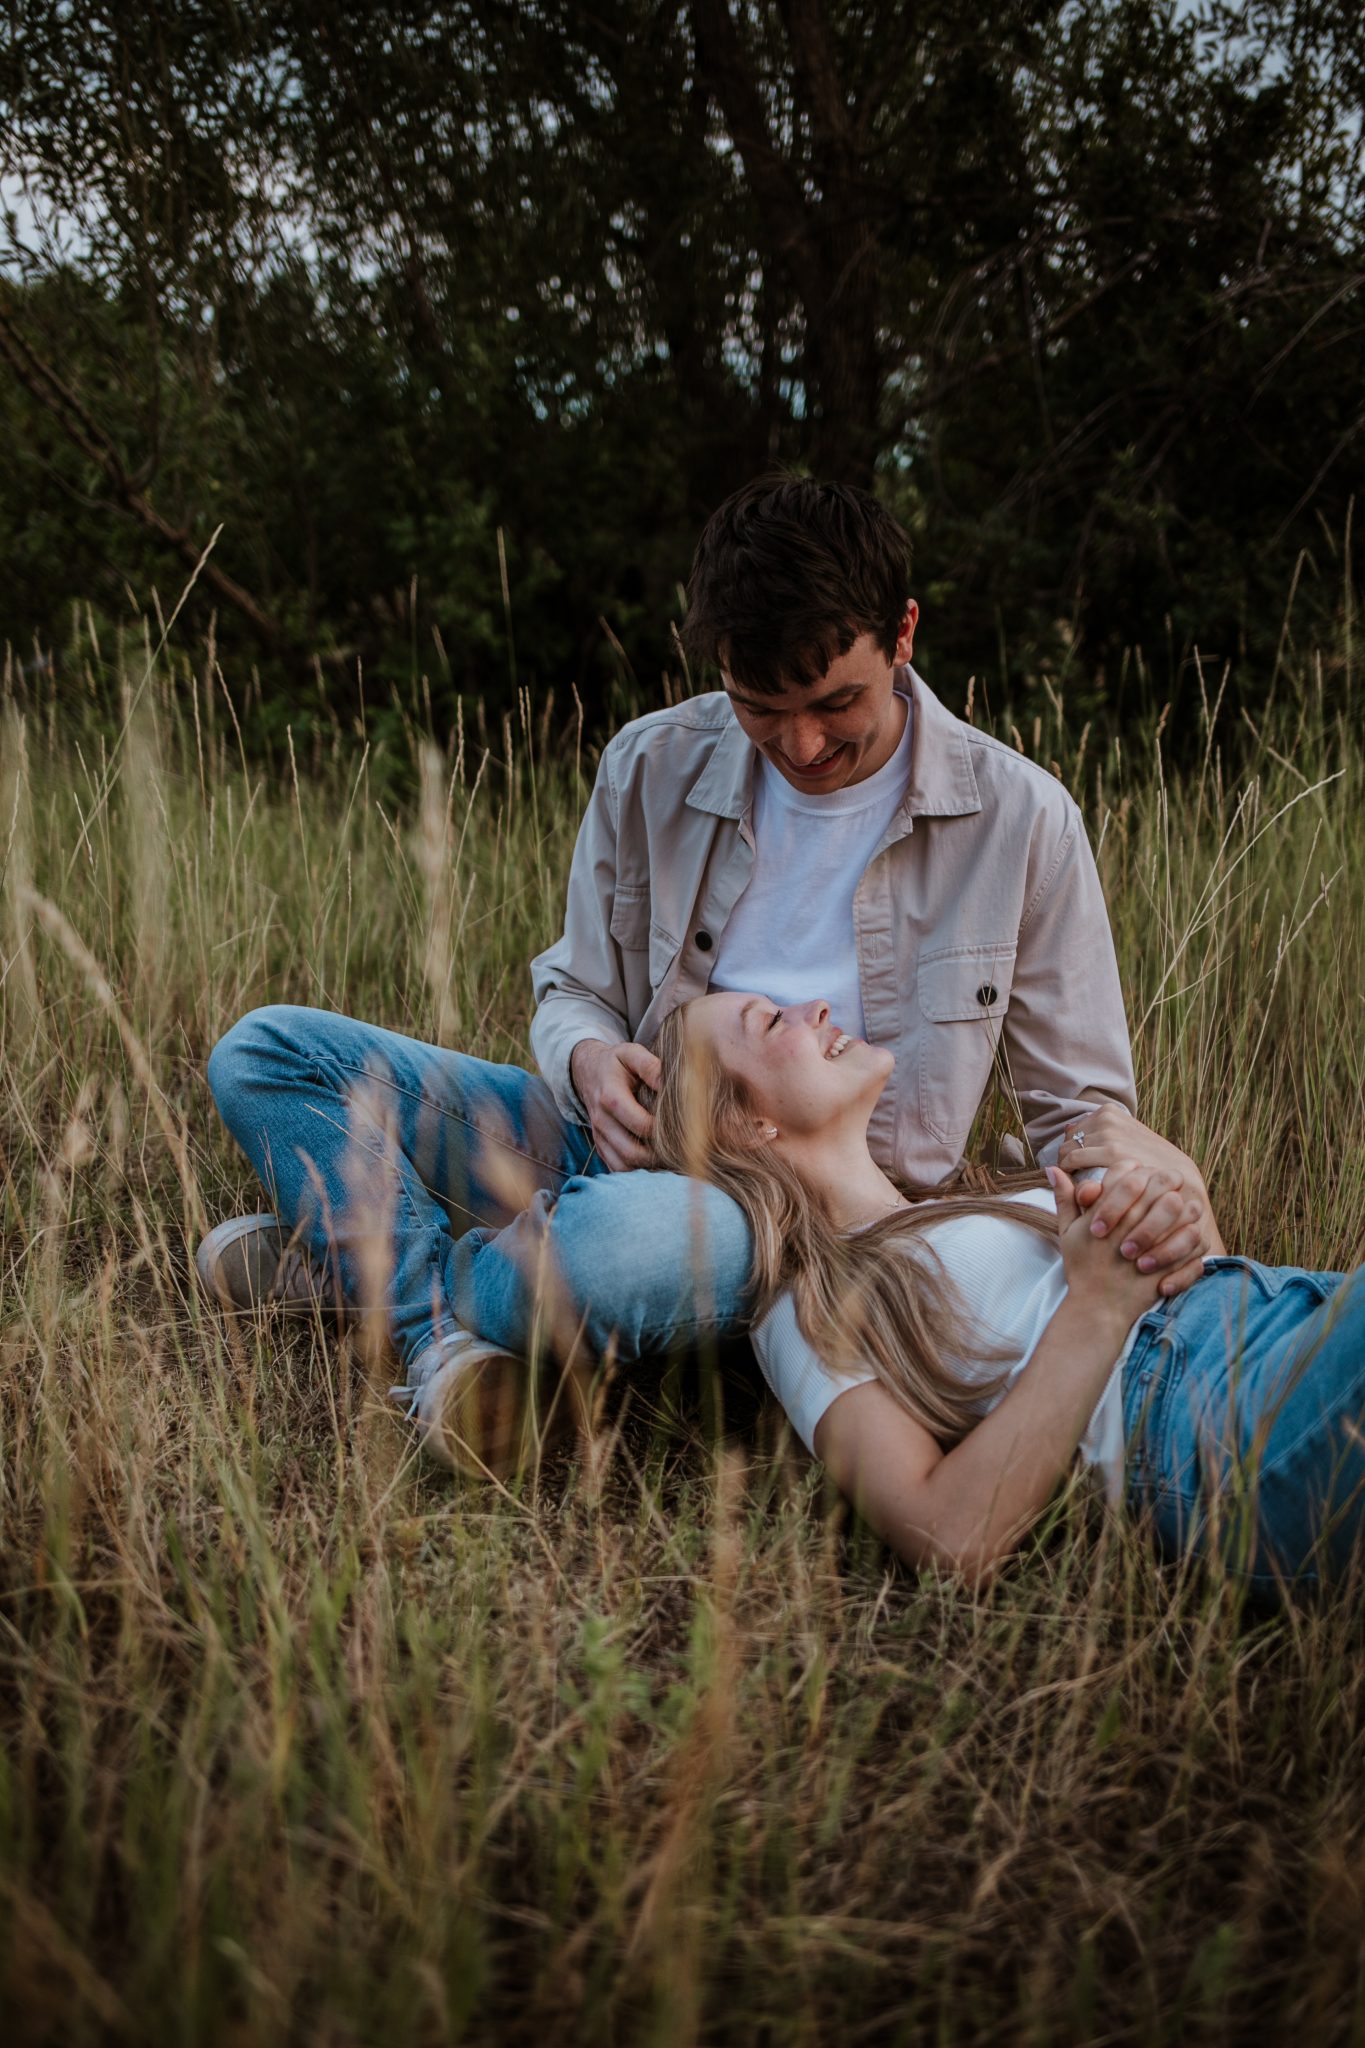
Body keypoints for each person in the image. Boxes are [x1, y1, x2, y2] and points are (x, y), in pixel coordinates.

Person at [197, 477, 1217, 1473]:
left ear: (903, 634)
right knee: (268, 1051)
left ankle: (370, 1265)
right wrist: (590, 1057)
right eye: (760, 708)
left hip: (798, 1224)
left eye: (835, 702)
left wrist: (1136, 1189)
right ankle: (435, 1334)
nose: (803, 743)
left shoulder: (1023, 818)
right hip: (607, 1145)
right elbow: (575, 990)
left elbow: (1077, 1101)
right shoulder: (649, 763)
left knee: (626, 1252)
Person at [641, 991, 1364, 1601]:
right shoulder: (805, 1302)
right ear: (743, 1123)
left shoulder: (973, 1193)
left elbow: (1186, 1276)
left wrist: (1182, 1193)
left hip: (1288, 1321)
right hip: (1223, 1421)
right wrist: (1096, 1308)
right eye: (771, 1023)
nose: (815, 1007)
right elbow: (948, 1538)